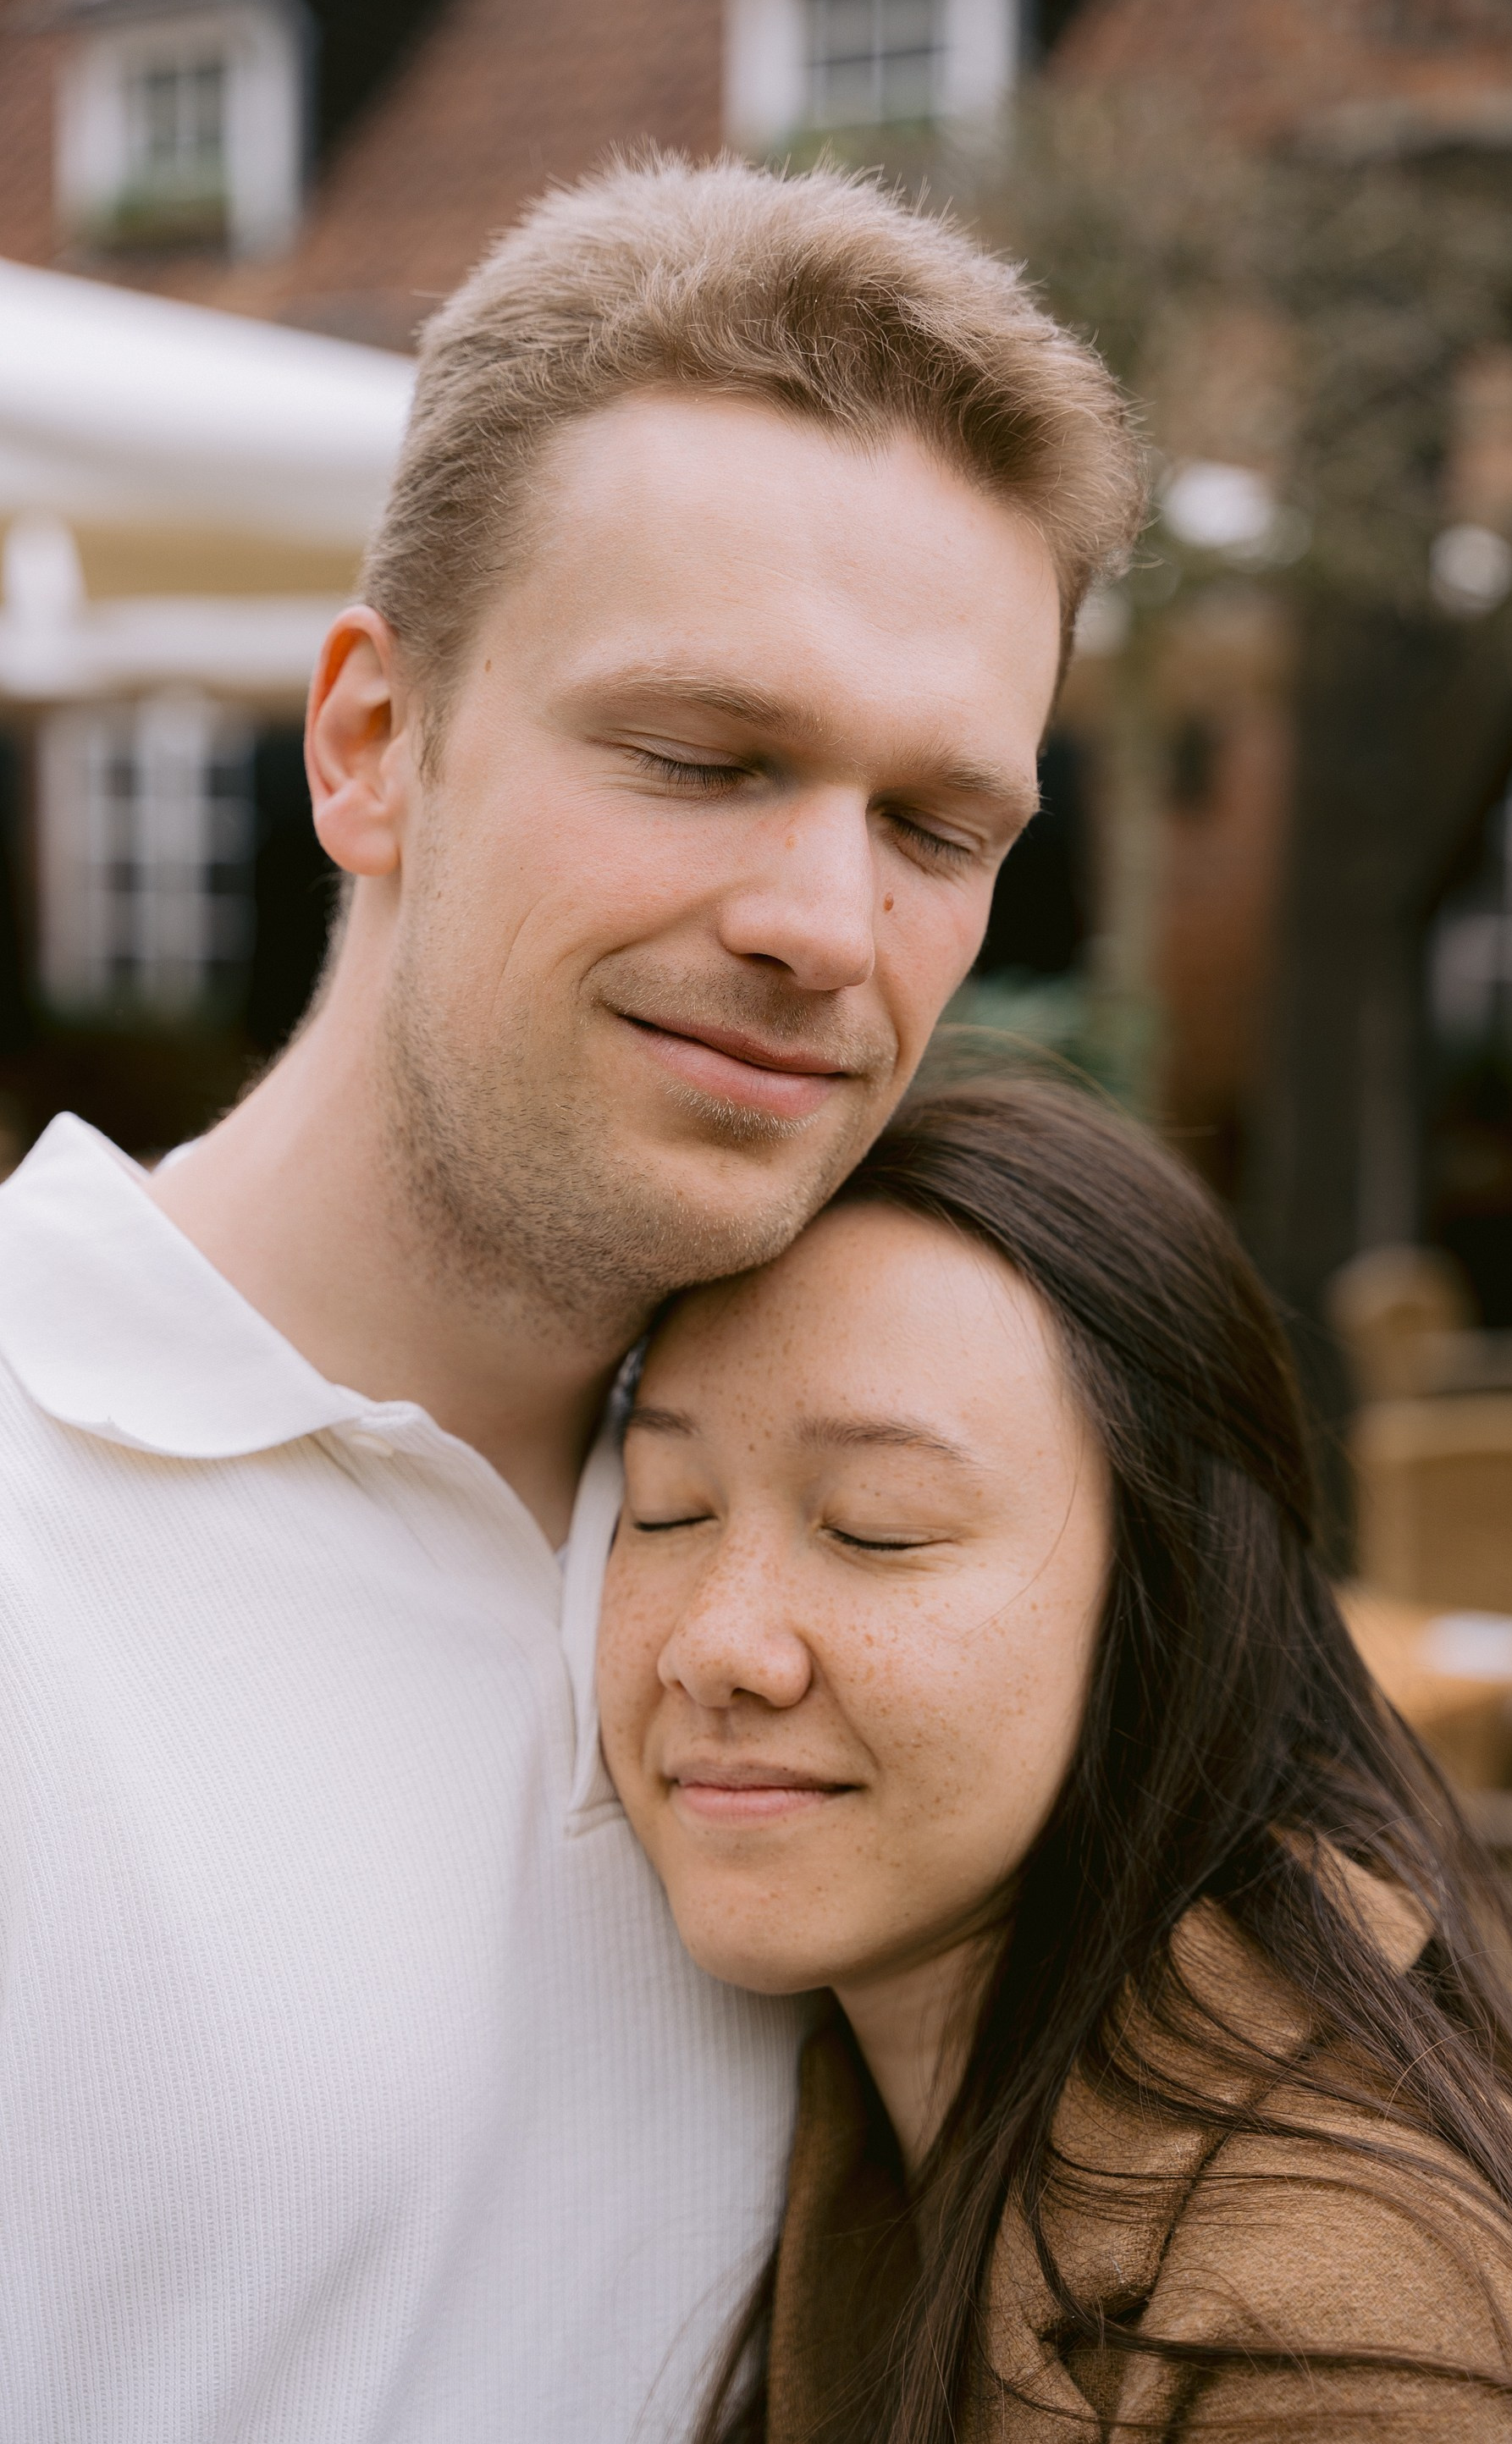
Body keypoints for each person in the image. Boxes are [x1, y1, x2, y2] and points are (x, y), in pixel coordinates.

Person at [0, 159, 1142, 2442]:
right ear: (368, 746)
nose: (828, 920)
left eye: (935, 828)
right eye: (704, 760)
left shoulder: (940, 1543)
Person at [598, 1073, 1512, 2444]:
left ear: (1163, 1598)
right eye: (664, 1508)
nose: (715, 1642)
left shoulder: (1344, 2351)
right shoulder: (858, 2093)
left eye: (876, 1525)